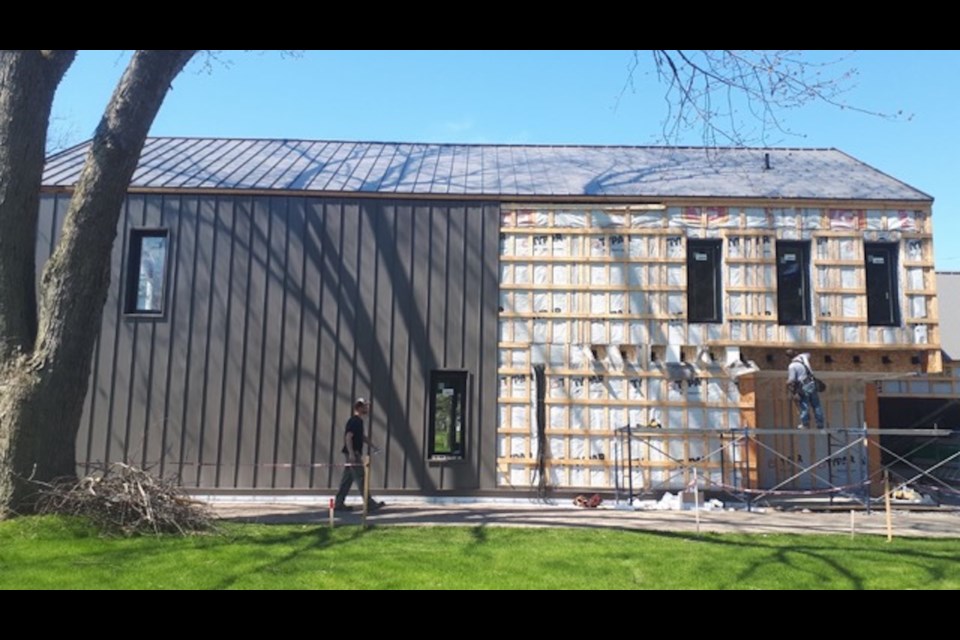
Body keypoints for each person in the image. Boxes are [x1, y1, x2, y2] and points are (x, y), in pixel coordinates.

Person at [333, 398, 385, 512]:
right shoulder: (355, 421)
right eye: (365, 406)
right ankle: (370, 504)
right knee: (361, 478)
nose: (367, 408)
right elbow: (348, 437)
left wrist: (374, 447)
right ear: (359, 407)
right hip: (353, 454)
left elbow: (362, 437)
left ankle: (338, 504)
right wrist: (351, 453)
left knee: (347, 480)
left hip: (352, 454)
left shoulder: (359, 422)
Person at [785, 349, 825, 429]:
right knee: (816, 405)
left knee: (804, 405)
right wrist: (799, 354)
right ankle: (820, 424)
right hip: (812, 384)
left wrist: (787, 383)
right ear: (796, 353)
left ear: (789, 358)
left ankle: (805, 423)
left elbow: (792, 379)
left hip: (803, 386)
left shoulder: (792, 366)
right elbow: (808, 354)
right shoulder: (803, 357)